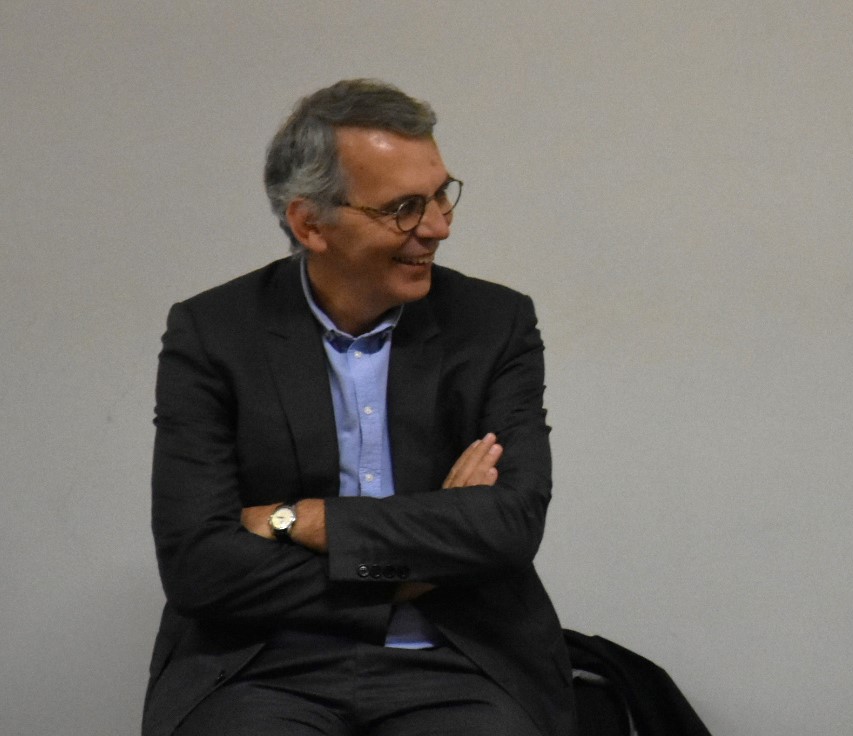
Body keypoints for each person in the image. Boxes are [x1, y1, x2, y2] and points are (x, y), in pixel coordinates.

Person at [143, 79, 574, 736]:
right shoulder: (213, 333)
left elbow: (509, 526)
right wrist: (416, 568)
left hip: (457, 661)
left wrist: (301, 520)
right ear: (310, 224)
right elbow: (199, 568)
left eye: (441, 195)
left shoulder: (494, 323)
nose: (438, 227)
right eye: (403, 208)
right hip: (263, 665)